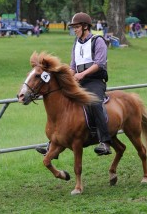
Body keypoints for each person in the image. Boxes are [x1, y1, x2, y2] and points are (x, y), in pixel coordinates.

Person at [36, 12, 112, 156]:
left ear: (85, 27)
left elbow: (100, 64)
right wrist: (68, 75)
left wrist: (82, 74)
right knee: (60, 100)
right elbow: (73, 65)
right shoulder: (76, 43)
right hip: (78, 80)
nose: (74, 30)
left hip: (95, 81)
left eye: (76, 27)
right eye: (74, 27)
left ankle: (105, 141)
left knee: (94, 103)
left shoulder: (98, 40)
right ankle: (53, 142)